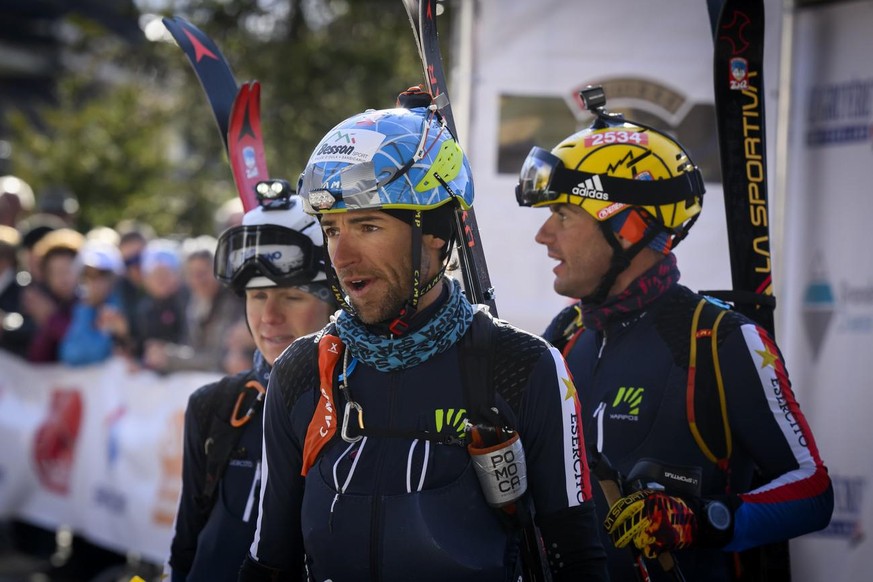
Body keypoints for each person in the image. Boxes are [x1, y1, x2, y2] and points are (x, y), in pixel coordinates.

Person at [238, 93, 608, 582]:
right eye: (331, 230)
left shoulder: (522, 365)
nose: (341, 255)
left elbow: (578, 561)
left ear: (434, 229)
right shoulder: (304, 369)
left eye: (367, 226)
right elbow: (270, 565)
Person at [515, 88, 834, 581]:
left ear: (628, 226)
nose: (543, 236)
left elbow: (812, 492)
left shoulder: (718, 339)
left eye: (562, 215)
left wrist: (703, 519)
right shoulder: (566, 334)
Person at [167, 185, 336, 582]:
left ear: (334, 302)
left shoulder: (357, 410)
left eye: (292, 297)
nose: (269, 317)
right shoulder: (216, 404)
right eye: (257, 296)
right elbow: (185, 543)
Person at [142, 237, 244, 374]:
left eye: (203, 273)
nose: (198, 280)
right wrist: (165, 351)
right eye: (192, 274)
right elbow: (192, 348)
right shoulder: (192, 302)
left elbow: (219, 358)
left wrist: (170, 357)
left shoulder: (233, 303)